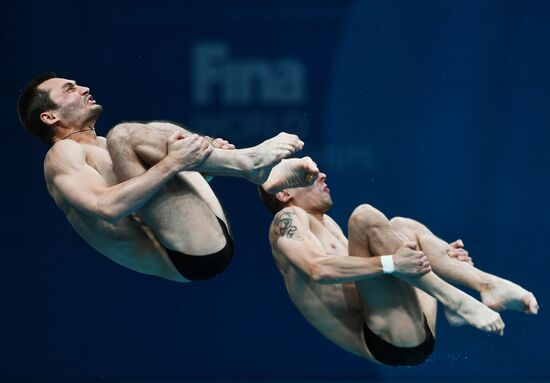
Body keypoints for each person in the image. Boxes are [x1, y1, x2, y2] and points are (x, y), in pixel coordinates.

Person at [17, 72, 319, 282]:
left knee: (155, 130)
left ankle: (253, 172)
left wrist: (197, 164)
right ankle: (249, 165)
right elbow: (107, 209)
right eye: (69, 89)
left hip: (202, 233)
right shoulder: (61, 155)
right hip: (185, 255)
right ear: (49, 117)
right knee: (125, 135)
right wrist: (174, 163)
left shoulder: (100, 147)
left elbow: (157, 199)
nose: (82, 88)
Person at [258, 171, 539, 366]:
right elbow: (317, 269)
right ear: (283, 193)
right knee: (364, 216)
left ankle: (482, 287)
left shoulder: (325, 224)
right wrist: (393, 262)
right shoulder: (287, 219)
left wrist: (441, 256)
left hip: (411, 327)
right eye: (307, 176)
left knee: (402, 226)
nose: (322, 176)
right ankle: (456, 300)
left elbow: (368, 275)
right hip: (387, 339)